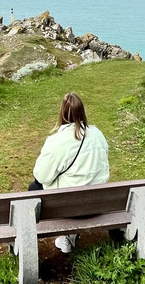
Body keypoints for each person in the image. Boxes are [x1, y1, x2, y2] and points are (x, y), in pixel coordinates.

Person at [30, 92, 109, 253]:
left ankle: (64, 236)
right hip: (98, 202)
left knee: (34, 188)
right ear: (82, 112)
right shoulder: (98, 134)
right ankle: (69, 235)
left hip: (69, 208)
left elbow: (41, 175)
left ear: (62, 114)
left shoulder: (56, 141)